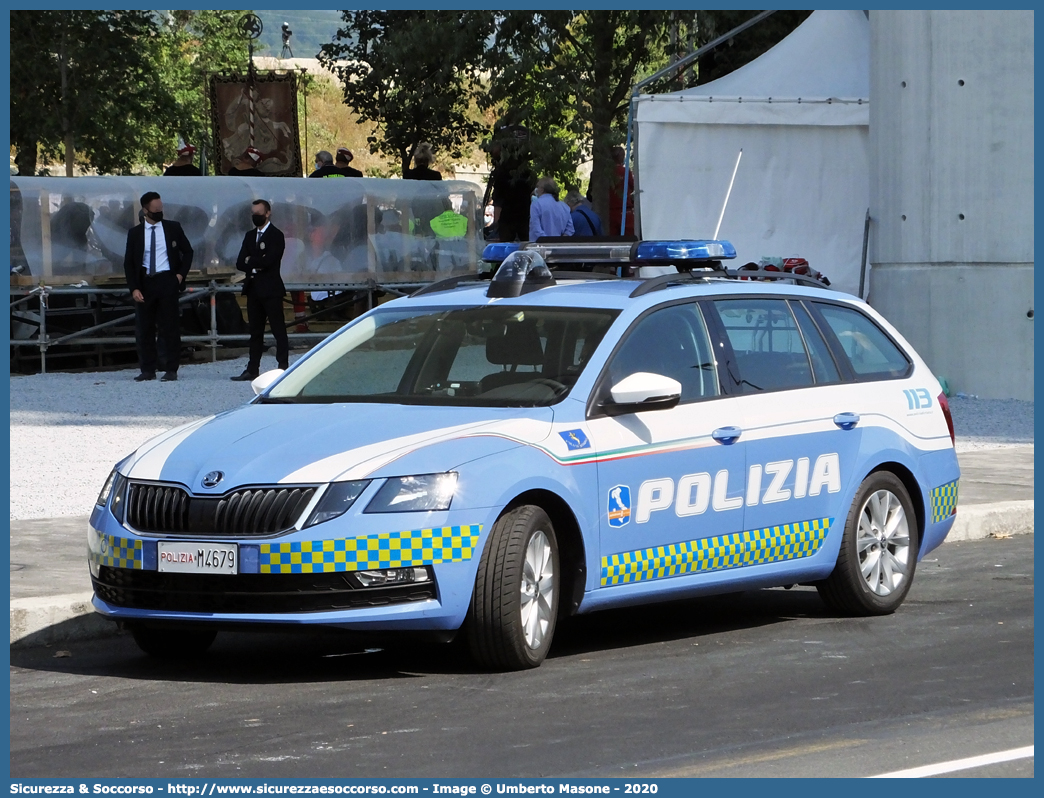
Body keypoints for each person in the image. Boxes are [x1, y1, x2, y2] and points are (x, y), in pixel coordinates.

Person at [123, 191, 194, 382]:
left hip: (167, 280)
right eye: (155, 210)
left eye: (161, 209)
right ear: (145, 210)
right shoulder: (135, 233)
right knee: (144, 328)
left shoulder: (173, 228)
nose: (159, 212)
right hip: (146, 282)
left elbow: (188, 251)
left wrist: (180, 275)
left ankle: (171, 368)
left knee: (169, 327)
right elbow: (129, 262)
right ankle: (147, 369)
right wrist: (134, 288)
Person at [231, 199, 288, 381]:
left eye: (259, 213)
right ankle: (252, 368)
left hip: (271, 289)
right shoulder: (249, 236)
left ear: (268, 213)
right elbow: (240, 262)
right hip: (254, 289)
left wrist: (251, 260)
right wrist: (256, 261)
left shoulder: (276, 235)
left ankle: (283, 367)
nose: (256, 216)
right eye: (253, 213)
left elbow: (269, 261)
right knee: (255, 332)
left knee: (278, 330)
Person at [489, 141, 535, 242]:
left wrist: (496, 226)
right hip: (524, 218)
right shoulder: (527, 174)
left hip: (507, 220)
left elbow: (498, 203)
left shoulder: (501, 176)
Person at [609, 145, 635, 236]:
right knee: (629, 237)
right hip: (624, 210)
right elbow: (633, 187)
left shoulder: (606, 172)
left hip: (610, 211)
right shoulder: (625, 172)